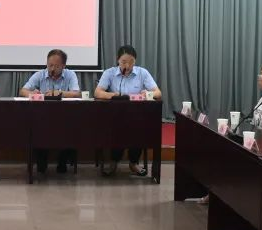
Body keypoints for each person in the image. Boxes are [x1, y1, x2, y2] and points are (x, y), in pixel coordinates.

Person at [94, 45, 162, 178]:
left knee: (139, 128)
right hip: (114, 115)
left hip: (137, 116)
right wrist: (113, 95)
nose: (127, 65)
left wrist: (148, 94)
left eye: (131, 62)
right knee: (116, 128)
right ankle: (114, 162)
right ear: (118, 60)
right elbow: (97, 92)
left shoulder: (142, 73)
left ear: (135, 61)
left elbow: (158, 93)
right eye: (124, 62)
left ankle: (133, 162)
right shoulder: (109, 73)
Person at [21, 49, 80, 174]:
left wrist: (60, 93)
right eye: (50, 65)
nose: (52, 69)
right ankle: (41, 162)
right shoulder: (40, 74)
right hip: (43, 117)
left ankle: (62, 162)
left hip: (64, 117)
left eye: (56, 66)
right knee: (36, 128)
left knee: (70, 128)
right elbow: (23, 90)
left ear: (63, 66)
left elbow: (77, 93)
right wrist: (32, 93)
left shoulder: (70, 74)